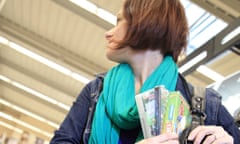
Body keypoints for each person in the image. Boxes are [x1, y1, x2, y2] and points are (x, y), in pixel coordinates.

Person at [50, 0, 240, 143]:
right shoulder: (96, 93)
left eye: (120, 21)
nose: (108, 33)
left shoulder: (203, 105)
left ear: (149, 24)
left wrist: (231, 141)